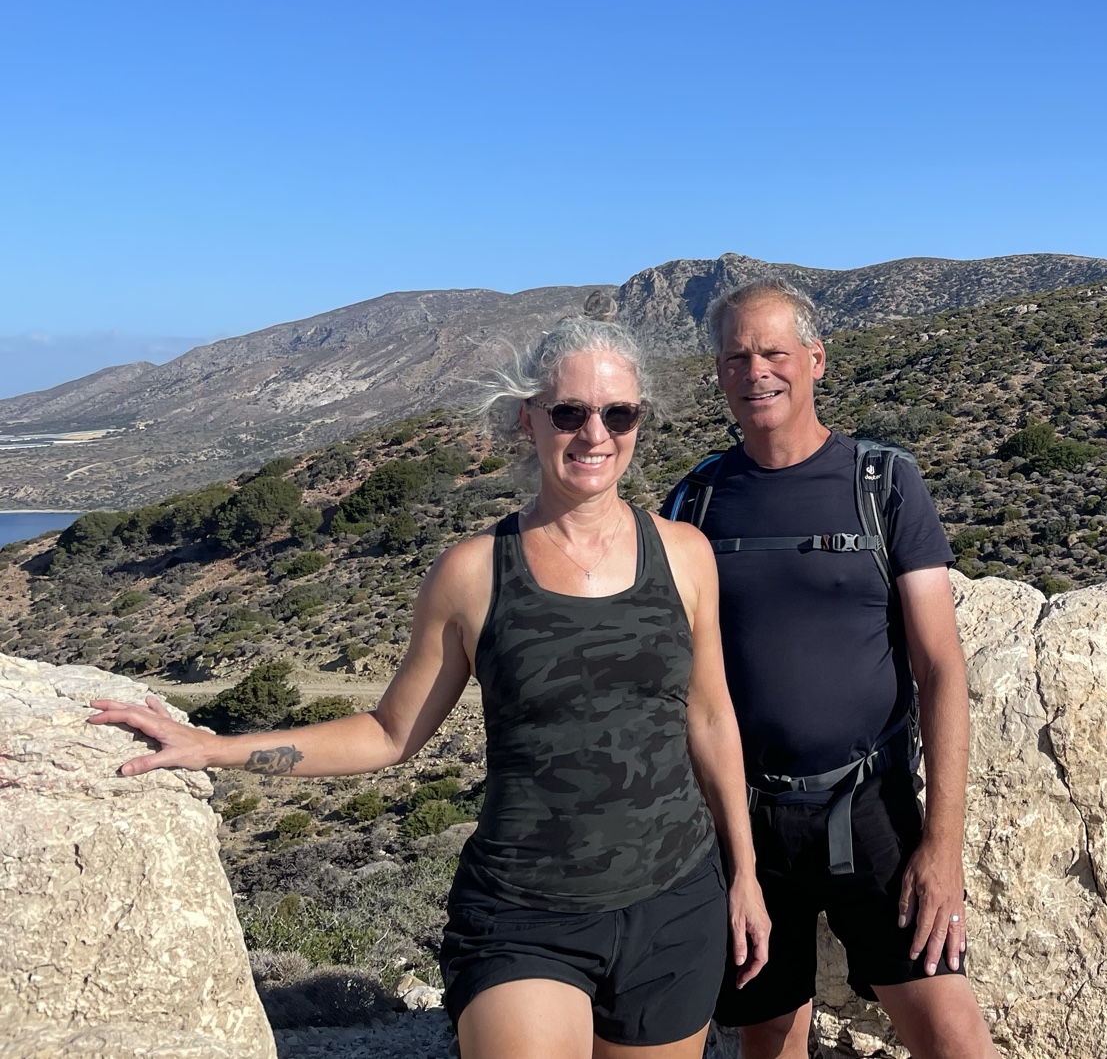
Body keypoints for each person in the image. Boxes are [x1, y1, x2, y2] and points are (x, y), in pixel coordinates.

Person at [88, 316, 770, 1059]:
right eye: (569, 412)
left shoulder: (684, 555)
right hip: (523, 913)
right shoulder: (474, 573)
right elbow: (389, 733)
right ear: (528, 418)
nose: (594, 434)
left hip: (674, 903)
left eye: (618, 413)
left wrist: (746, 873)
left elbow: (709, 718)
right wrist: (216, 748)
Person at [662, 278, 997, 1059]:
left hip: (871, 809)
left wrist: (941, 848)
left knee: (954, 1036)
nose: (756, 372)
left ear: (816, 360)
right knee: (770, 1034)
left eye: (774, 352)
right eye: (737, 357)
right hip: (743, 829)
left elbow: (941, 667)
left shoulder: (883, 483)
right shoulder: (696, 501)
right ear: (719, 373)